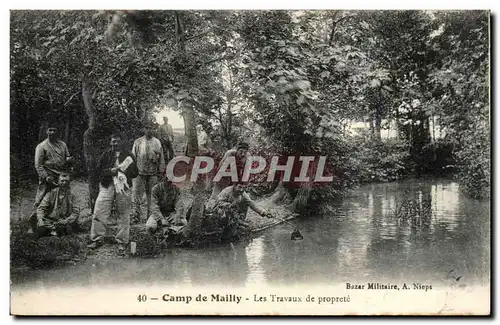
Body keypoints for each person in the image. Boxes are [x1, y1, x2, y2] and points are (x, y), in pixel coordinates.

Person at [88, 134, 138, 255]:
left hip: (124, 186)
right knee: (99, 211)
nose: (115, 144)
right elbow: (98, 171)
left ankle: (122, 241)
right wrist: (110, 171)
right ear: (110, 143)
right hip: (107, 185)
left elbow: (136, 172)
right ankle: (97, 239)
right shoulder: (106, 155)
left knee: (124, 213)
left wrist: (124, 171)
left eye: (117, 142)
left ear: (122, 142)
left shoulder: (129, 155)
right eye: (113, 142)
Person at [206, 183, 273, 240]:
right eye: (239, 187)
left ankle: (234, 228)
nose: (241, 190)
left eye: (243, 188)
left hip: (235, 214)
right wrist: (229, 205)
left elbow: (252, 204)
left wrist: (264, 212)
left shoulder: (243, 194)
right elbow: (218, 203)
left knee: (233, 226)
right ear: (235, 186)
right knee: (224, 215)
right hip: (222, 212)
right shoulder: (227, 192)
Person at [131, 123, 166, 224]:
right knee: (136, 194)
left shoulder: (157, 142)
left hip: (152, 173)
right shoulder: (138, 142)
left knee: (152, 195)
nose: (149, 130)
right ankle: (135, 216)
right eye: (147, 128)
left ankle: (150, 217)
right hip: (139, 172)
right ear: (143, 129)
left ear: (153, 130)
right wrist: (132, 171)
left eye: (151, 128)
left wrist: (161, 171)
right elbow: (133, 157)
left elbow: (162, 158)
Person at [34, 124, 73, 207]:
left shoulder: (63, 145)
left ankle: (58, 215)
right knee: (43, 196)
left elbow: (67, 157)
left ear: (58, 132)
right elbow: (38, 165)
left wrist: (69, 160)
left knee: (61, 196)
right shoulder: (41, 146)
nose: (52, 132)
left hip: (60, 174)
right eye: (50, 130)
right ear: (47, 132)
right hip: (48, 174)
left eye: (54, 130)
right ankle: (35, 215)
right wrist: (45, 176)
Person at [35, 171, 79, 238]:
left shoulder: (72, 195)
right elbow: (41, 208)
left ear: (69, 182)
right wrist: (41, 220)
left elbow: (75, 212)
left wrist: (66, 221)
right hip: (49, 221)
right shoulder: (51, 193)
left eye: (66, 181)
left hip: (63, 222)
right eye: (62, 181)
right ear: (58, 182)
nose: (64, 183)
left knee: (61, 232)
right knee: (41, 232)